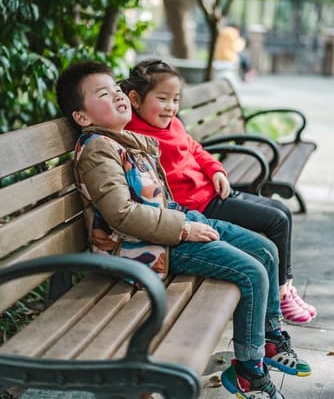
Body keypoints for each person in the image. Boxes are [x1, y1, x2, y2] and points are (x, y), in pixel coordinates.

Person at [56, 61, 311, 399]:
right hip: (145, 247)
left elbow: (169, 181)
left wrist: (190, 219)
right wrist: (185, 228)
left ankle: (270, 338)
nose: (117, 96)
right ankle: (249, 371)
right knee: (251, 271)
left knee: (265, 249)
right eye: (104, 94)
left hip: (173, 225)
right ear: (83, 118)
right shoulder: (98, 149)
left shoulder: (125, 139)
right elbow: (122, 214)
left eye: (116, 89)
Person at [122, 59, 317, 324]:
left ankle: (286, 285)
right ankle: (282, 293)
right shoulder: (135, 135)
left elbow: (195, 148)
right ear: (135, 99)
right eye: (163, 99)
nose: (171, 108)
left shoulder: (172, 124)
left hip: (214, 191)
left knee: (283, 210)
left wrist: (215, 170)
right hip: (199, 206)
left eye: (175, 99)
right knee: (277, 220)